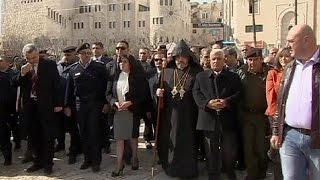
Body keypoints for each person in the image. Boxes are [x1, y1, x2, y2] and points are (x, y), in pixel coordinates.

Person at [270, 24, 320, 180]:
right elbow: (281, 102)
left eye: (291, 41)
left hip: (317, 140)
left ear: (306, 40)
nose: (287, 46)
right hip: (290, 137)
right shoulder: (290, 67)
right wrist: (276, 131)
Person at [156, 39, 202, 178]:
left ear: (189, 58)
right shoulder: (167, 72)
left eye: (183, 57)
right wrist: (158, 93)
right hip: (170, 114)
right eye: (177, 57)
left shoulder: (196, 73)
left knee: (188, 142)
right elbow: (160, 92)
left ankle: (188, 170)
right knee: (172, 140)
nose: (180, 60)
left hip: (190, 115)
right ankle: (171, 168)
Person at [193, 49, 241, 180]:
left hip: (228, 119)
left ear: (224, 59)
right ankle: (213, 176)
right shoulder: (201, 76)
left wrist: (226, 102)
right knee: (210, 151)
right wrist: (208, 103)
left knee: (229, 151)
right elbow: (196, 94)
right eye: (213, 59)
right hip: (208, 119)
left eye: (219, 59)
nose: (215, 61)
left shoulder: (234, 77)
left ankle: (230, 173)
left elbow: (239, 94)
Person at [16, 44, 63, 175]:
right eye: (28, 58)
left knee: (48, 136)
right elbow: (15, 83)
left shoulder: (49, 64)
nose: (32, 60)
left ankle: (48, 164)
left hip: (46, 105)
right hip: (30, 107)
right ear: (24, 57)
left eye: (34, 57)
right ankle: (37, 162)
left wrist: (58, 103)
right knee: (34, 136)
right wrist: (22, 73)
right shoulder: (22, 66)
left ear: (38, 54)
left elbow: (56, 85)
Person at [65, 43, 109, 172]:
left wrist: (106, 103)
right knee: (83, 133)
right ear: (79, 54)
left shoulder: (99, 68)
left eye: (89, 53)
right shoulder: (73, 69)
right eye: (84, 53)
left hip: (95, 104)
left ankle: (96, 161)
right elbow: (69, 89)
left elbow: (105, 87)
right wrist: (67, 105)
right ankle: (87, 159)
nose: (87, 55)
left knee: (94, 132)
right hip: (80, 105)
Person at [107, 54, 150, 177]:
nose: (122, 64)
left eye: (125, 62)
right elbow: (108, 94)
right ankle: (119, 164)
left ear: (130, 64)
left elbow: (143, 94)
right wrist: (114, 102)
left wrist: (130, 102)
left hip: (132, 110)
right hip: (119, 111)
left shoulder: (137, 78)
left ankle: (135, 158)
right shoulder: (115, 77)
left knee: (133, 137)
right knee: (119, 139)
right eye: (120, 62)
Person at [236, 48, 271, 180]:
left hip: (263, 116)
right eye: (250, 60)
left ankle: (262, 172)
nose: (252, 62)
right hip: (247, 115)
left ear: (261, 59)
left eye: (255, 59)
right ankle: (252, 174)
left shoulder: (269, 72)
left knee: (262, 148)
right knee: (248, 147)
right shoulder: (241, 73)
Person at [265, 47, 293, 180]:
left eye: (287, 56)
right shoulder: (273, 73)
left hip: (293, 116)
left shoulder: (297, 72)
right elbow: (270, 96)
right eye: (281, 56)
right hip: (276, 116)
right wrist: (276, 113)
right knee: (276, 148)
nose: (283, 59)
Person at [56, 46, 82, 164]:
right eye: (65, 55)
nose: (67, 57)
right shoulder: (58, 67)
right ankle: (62, 145)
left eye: (69, 55)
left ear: (75, 55)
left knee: (73, 129)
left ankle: (74, 151)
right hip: (60, 101)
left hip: (73, 102)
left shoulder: (78, 66)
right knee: (61, 127)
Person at [0, 55, 15, 166]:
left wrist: (10, 113)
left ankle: (7, 158)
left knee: (3, 137)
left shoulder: (3, 78)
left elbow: (7, 97)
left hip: (2, 113)